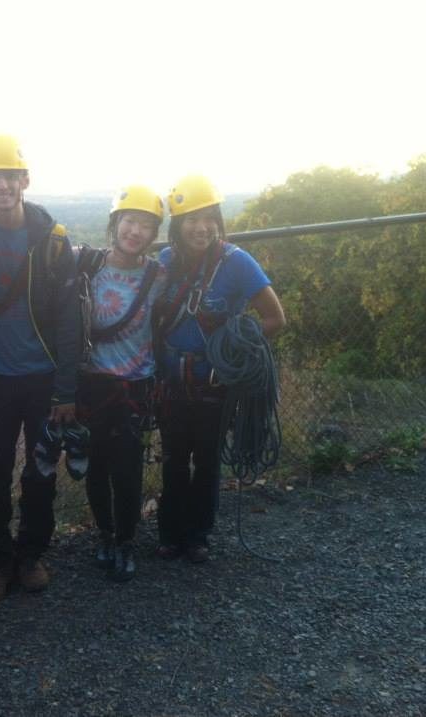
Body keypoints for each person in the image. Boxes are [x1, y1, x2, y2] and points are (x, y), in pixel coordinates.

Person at [0, 134, 80, 605]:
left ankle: (31, 555)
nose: (1, 184)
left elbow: (68, 321)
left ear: (25, 179)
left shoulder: (52, 242)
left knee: (41, 470)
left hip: (42, 380)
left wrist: (66, 389)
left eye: (9, 176)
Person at [154, 174, 285, 563]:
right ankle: (170, 531)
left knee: (207, 459)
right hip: (172, 382)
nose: (202, 226)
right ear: (177, 225)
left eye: (209, 216)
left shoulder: (237, 263)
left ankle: (197, 535)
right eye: (192, 218)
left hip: (214, 383)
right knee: (174, 458)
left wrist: (232, 345)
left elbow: (275, 319)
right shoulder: (165, 263)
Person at [76, 185, 166, 582]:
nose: (135, 231)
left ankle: (126, 540)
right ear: (115, 224)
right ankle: (105, 534)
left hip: (135, 385)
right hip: (93, 383)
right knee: (96, 466)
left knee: (127, 468)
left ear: (154, 234)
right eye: (129, 221)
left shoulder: (159, 275)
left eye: (146, 225)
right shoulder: (88, 266)